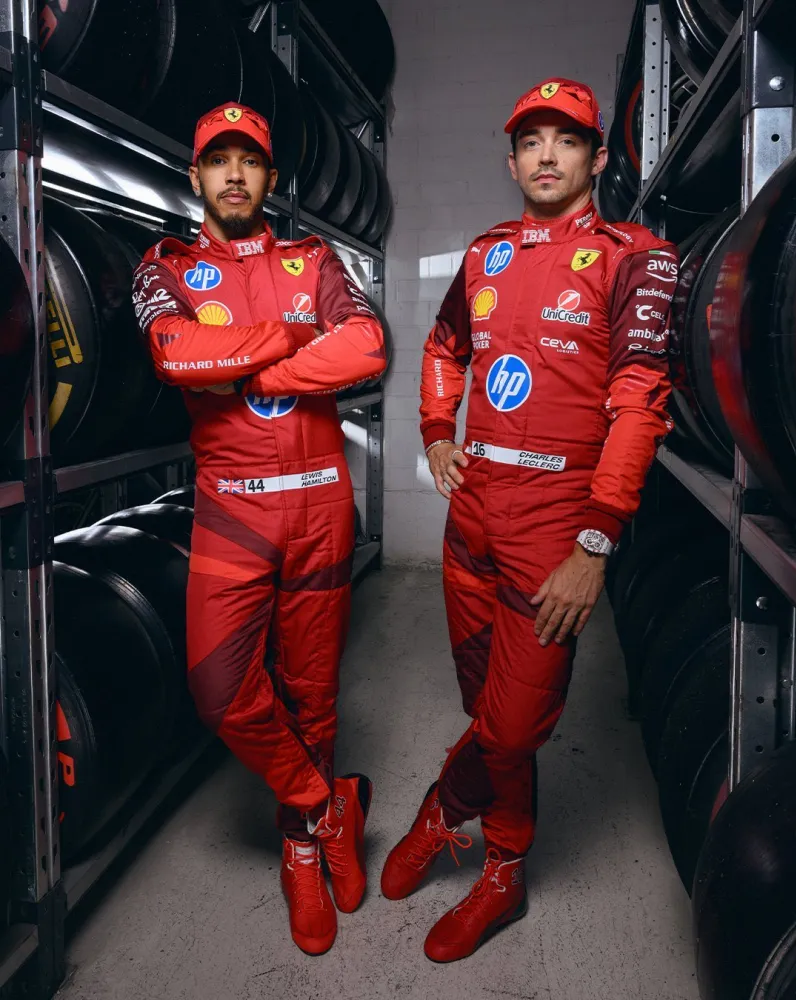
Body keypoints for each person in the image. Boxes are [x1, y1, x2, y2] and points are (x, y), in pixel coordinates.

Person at [381, 78, 678, 962]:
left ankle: (445, 810)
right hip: (470, 526)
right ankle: (504, 870)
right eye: (531, 141)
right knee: (485, 706)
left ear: (597, 157)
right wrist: (436, 432)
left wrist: (596, 541)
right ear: (512, 161)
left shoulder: (636, 258)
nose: (548, 155)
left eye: (567, 139)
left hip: (555, 532)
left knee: (512, 726)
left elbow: (639, 405)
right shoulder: (485, 255)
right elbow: (444, 348)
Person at [132, 103, 385, 957]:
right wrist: (292, 337)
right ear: (196, 176)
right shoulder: (166, 267)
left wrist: (245, 366)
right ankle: (324, 803)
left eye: (250, 161)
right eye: (219, 160)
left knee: (313, 692)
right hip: (233, 509)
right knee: (220, 689)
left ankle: (299, 848)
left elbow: (369, 346)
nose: (235, 174)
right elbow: (174, 353)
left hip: (319, 505)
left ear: (272, 178)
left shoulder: (315, 260)